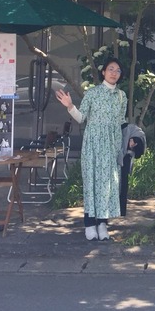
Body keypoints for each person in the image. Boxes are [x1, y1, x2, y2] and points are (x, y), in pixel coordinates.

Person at [55, 58, 127, 241]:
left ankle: (102, 223)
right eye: (111, 69)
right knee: (91, 182)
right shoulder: (93, 93)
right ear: (103, 72)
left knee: (107, 184)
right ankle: (89, 223)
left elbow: (120, 122)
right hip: (93, 144)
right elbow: (81, 118)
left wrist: (123, 145)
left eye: (118, 70)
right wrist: (70, 106)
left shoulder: (121, 96)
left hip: (111, 145)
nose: (114, 73)